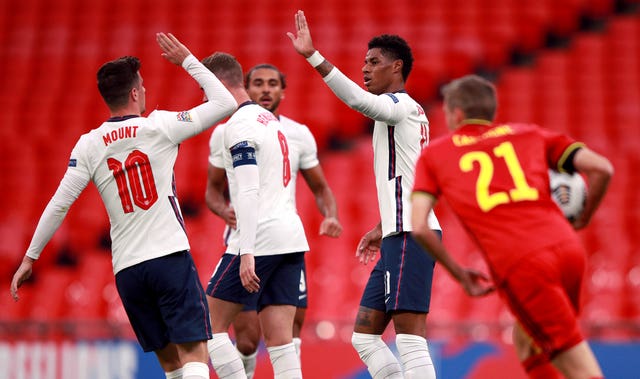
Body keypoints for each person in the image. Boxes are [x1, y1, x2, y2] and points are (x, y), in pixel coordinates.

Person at [9, 33, 237, 379]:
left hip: (128, 270)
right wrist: (188, 60)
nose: (145, 91)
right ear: (134, 93)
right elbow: (225, 103)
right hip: (168, 257)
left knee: (171, 365)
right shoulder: (158, 126)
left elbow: (59, 203)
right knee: (193, 354)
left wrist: (30, 257)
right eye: (142, 86)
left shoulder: (88, 145)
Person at [410, 74, 613, 379]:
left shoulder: (435, 154)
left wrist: (459, 274)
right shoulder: (530, 134)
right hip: (569, 250)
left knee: (579, 369)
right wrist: (584, 217)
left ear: (456, 114)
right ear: (491, 111)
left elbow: (419, 227)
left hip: (523, 265)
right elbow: (602, 168)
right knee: (528, 342)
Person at [288, 10, 441, 379]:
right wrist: (380, 225)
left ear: (397, 67)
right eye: (364, 62)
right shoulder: (405, 113)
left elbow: (358, 102)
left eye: (374, 62)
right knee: (365, 337)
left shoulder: (399, 106)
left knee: (409, 339)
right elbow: (410, 179)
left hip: (410, 236)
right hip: (397, 231)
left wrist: (313, 56)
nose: (365, 69)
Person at [205, 63, 343, 378]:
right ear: (246, 87)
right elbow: (213, 191)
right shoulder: (249, 130)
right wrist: (224, 210)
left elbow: (316, 188)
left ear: (283, 90)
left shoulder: (286, 131)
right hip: (285, 237)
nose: (265, 90)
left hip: (260, 238)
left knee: (212, 326)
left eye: (272, 83)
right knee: (259, 338)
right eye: (258, 83)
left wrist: (331, 215)